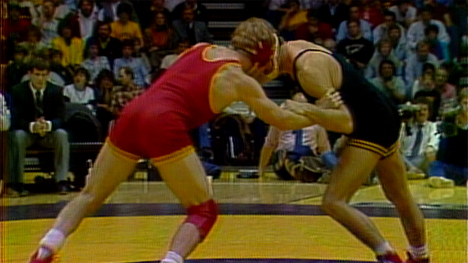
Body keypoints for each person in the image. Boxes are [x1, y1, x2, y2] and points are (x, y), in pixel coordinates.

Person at [28, 18, 315, 263]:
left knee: (91, 195)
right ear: (264, 58)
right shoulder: (240, 80)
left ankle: (46, 247)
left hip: (133, 113)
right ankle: (171, 260)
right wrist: (322, 114)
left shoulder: (201, 48)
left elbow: (182, 82)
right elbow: (281, 119)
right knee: (203, 210)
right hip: (163, 121)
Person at [270, 38, 429, 262]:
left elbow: (346, 123)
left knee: (334, 201)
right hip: (383, 112)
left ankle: (387, 256)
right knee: (399, 195)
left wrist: (308, 110)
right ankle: (421, 256)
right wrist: (316, 110)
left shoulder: (307, 71)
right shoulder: (299, 45)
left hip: (368, 125)